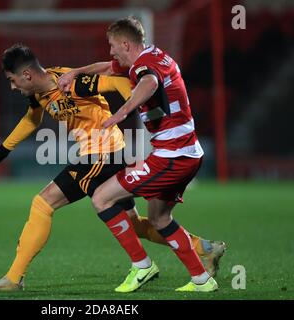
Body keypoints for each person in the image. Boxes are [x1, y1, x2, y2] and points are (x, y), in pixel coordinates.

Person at [0, 43, 223, 292]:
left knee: (43, 203)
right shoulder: (40, 92)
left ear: (27, 75)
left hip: (102, 154)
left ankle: (14, 277)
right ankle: (202, 248)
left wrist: (142, 107)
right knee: (133, 223)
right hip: (103, 155)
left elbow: (117, 82)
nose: (12, 86)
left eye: (12, 80)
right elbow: (33, 117)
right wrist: (3, 150)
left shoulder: (73, 83)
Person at [58, 17, 223, 292]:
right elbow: (108, 68)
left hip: (173, 157)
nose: (111, 52)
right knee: (159, 219)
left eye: (112, 46)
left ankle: (142, 266)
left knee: (101, 197)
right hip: (186, 154)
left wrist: (122, 112)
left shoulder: (145, 68)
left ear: (125, 43)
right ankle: (202, 280)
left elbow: (149, 83)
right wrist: (75, 72)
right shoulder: (154, 55)